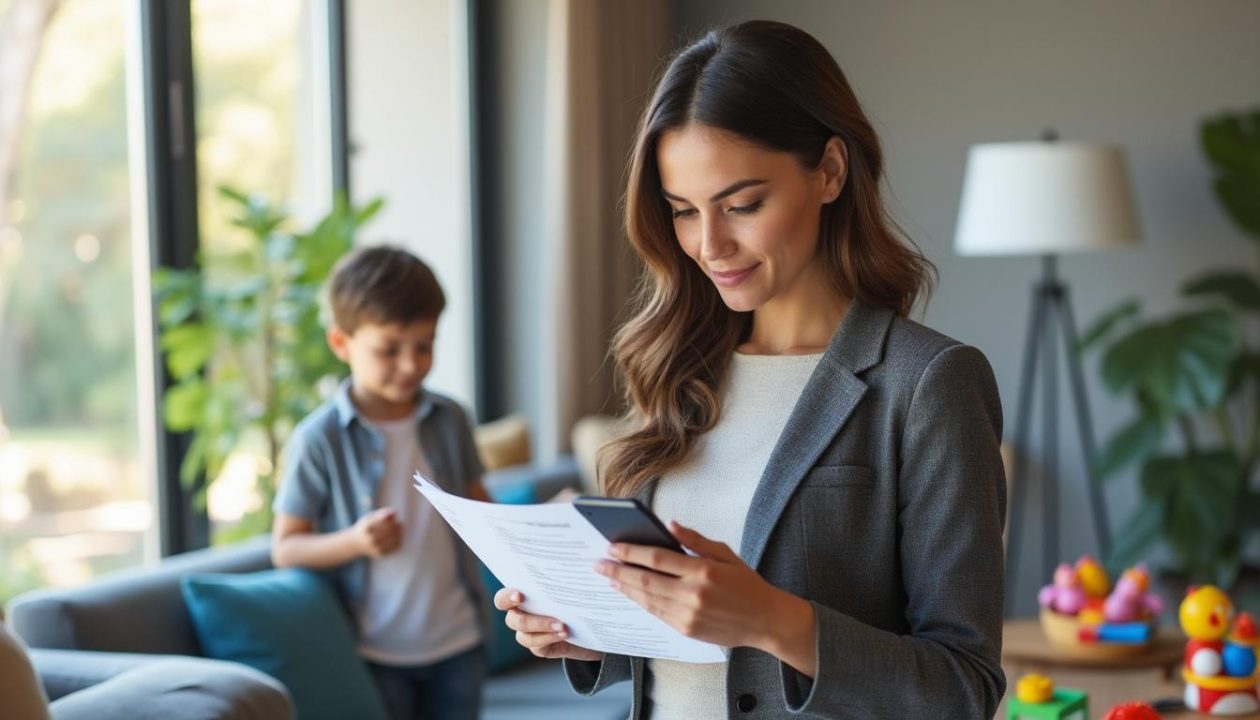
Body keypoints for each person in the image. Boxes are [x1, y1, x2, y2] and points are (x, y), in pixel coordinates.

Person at [496, 19, 1007, 719]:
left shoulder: (928, 384)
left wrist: (772, 619)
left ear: (829, 170)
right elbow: (687, 642)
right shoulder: (680, 368)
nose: (710, 246)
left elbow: (964, 689)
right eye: (682, 211)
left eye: (742, 205)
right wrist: (586, 635)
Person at [271, 246, 489, 720]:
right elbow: (286, 548)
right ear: (341, 343)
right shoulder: (318, 438)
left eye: (425, 345)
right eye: (389, 349)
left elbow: (481, 508)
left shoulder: (451, 419)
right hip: (374, 651)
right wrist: (355, 542)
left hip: (460, 641)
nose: (411, 365)